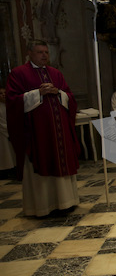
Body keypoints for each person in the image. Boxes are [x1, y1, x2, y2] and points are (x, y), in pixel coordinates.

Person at [6, 40, 80, 216]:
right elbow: (12, 101)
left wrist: (58, 93)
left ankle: (66, 202)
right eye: (40, 52)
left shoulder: (56, 73)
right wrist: (38, 93)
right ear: (30, 53)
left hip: (59, 132)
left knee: (61, 160)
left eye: (46, 52)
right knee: (41, 163)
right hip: (37, 134)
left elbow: (70, 98)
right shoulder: (18, 74)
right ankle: (42, 207)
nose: (44, 55)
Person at [0, 85, 16, 178]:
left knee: (12, 154)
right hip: (3, 134)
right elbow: (1, 123)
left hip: (12, 133)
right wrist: (9, 132)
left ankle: (13, 169)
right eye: (1, 93)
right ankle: (4, 172)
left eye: (5, 93)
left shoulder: (10, 104)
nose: (3, 95)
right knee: (5, 154)